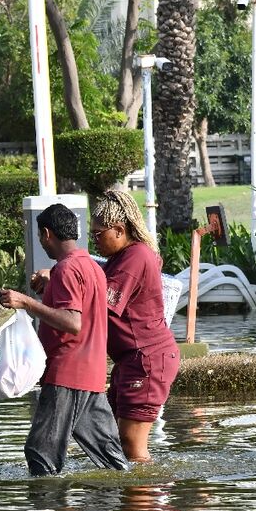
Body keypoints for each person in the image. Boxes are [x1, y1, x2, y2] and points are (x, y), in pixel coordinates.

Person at [0, 203, 128, 475]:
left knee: (40, 454)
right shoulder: (91, 267)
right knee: (113, 462)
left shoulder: (67, 270)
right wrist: (50, 286)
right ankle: (128, 503)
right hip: (91, 376)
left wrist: (25, 302)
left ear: (47, 233)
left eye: (39, 237)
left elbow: (73, 322)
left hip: (66, 375)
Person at [90, 190, 180, 463]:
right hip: (132, 359)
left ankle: (149, 503)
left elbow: (104, 301)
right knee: (116, 440)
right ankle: (129, 503)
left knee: (132, 446)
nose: (94, 240)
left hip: (147, 359)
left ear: (119, 230)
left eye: (98, 234)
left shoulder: (135, 256)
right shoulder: (123, 257)